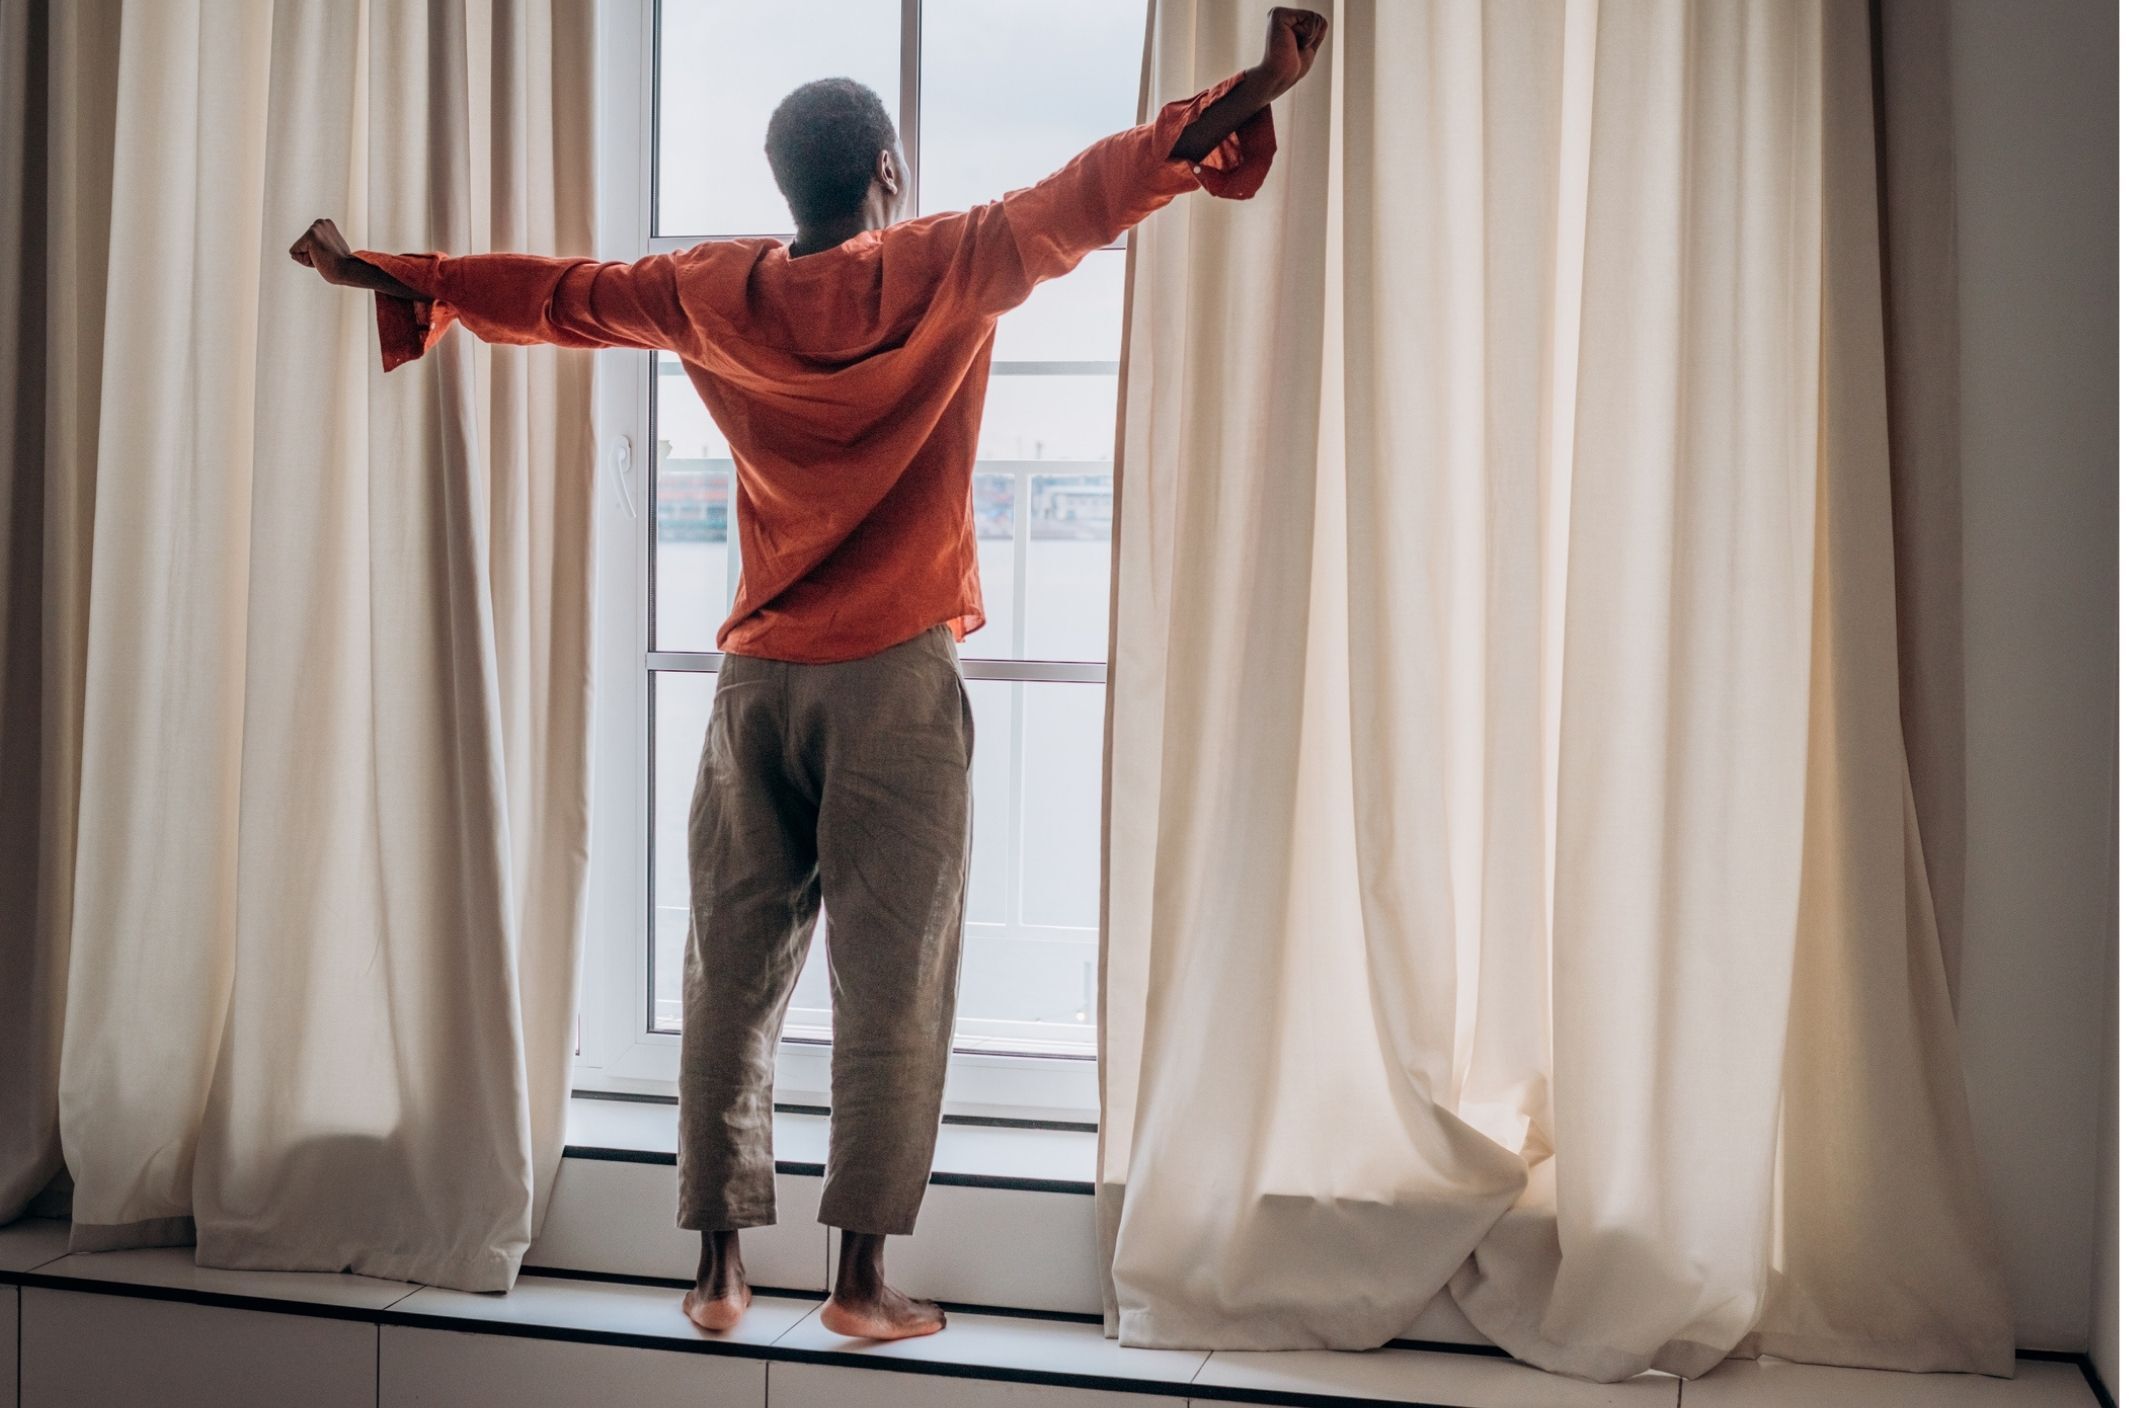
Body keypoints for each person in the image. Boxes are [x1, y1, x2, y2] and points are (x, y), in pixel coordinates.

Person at [290, 5, 1327, 1343]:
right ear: (887, 172)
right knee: (892, 981)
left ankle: (719, 1271)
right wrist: (1256, 82)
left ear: (788, 185)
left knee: (728, 967)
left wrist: (387, 266)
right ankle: (855, 1286)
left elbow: (550, 292)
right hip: (892, 678)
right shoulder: (960, 258)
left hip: (755, 682)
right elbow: (1113, 180)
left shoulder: (709, 289)